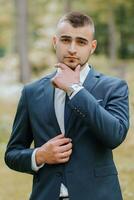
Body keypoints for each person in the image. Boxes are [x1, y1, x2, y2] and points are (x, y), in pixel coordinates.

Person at [5, 11, 129, 200]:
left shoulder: (114, 87)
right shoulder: (31, 92)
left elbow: (114, 136)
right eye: (65, 40)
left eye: (81, 42)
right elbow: (12, 154)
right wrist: (39, 155)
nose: (72, 49)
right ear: (55, 42)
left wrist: (75, 90)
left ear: (92, 47)